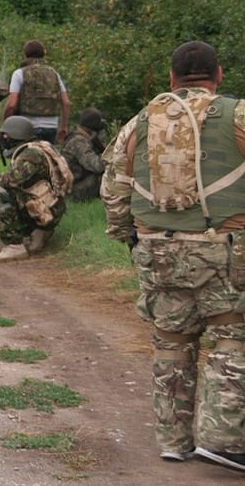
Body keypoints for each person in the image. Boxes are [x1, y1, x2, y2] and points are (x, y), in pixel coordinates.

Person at [100, 40, 245, 472]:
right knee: (232, 336)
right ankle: (224, 440)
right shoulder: (237, 114)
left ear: (171, 78)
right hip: (224, 248)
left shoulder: (139, 122)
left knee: (172, 341)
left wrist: (127, 237)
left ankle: (173, 439)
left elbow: (114, 190)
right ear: (218, 75)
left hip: (155, 249)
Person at [0, 115, 73, 262]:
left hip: (46, 211)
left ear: (15, 135)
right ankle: (41, 232)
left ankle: (14, 246)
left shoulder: (30, 155)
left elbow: (13, 178)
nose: (4, 138)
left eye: (6, 135)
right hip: (53, 208)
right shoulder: (42, 147)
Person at [2, 39, 71, 145]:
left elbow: (12, 104)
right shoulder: (54, 74)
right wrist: (64, 127)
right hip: (51, 127)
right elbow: (66, 102)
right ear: (43, 54)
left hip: (27, 127)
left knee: (24, 155)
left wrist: (5, 125)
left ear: (25, 54)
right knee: (48, 154)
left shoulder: (19, 73)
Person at [61, 107, 107, 201]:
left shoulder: (78, 137)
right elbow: (98, 166)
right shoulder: (79, 141)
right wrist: (110, 156)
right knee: (107, 176)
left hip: (74, 185)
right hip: (73, 190)